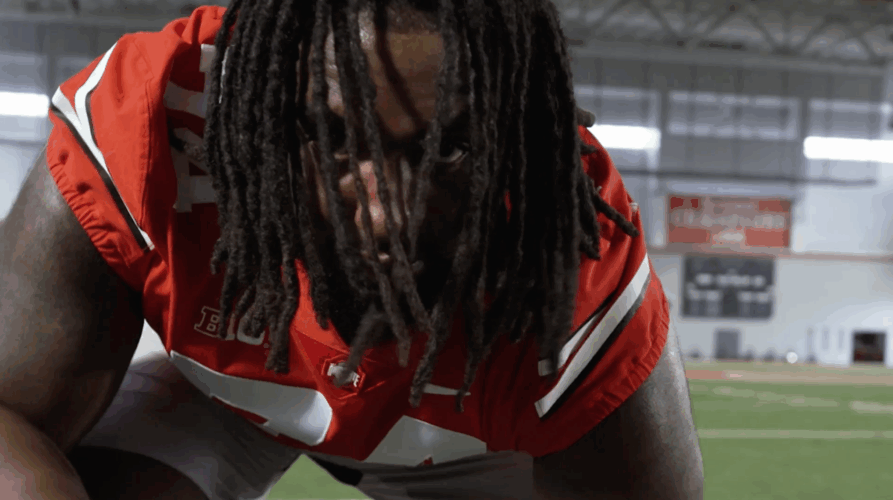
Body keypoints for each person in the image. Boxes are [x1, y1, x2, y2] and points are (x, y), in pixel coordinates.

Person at [0, 1, 703, 499]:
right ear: (258, 101)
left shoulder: (569, 257)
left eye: (450, 149)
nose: (387, 217)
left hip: (466, 451)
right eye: (333, 136)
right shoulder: (146, 123)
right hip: (229, 399)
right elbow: (10, 414)